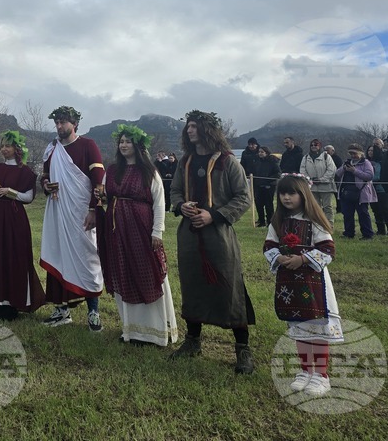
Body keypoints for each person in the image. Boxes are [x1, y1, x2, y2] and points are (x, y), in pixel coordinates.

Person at [170, 110, 256, 374]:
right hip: (189, 235)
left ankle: (242, 349)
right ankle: (193, 341)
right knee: (192, 283)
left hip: (218, 234)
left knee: (229, 286)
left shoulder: (228, 162)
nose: (189, 130)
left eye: (194, 126)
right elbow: (174, 190)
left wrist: (214, 215)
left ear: (207, 129)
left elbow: (243, 197)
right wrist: (181, 205)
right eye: (188, 127)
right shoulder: (185, 161)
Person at [263, 174, 342, 397]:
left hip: (313, 283)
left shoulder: (314, 222)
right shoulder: (278, 222)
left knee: (317, 329)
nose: (286, 197)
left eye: (292, 193)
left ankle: (321, 375)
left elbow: (328, 249)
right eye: (283, 193)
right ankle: (306, 371)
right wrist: (278, 258)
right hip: (289, 284)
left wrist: (303, 259)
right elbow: (269, 245)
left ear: (303, 194)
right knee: (298, 328)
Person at [104, 124, 178, 347]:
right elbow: (107, 197)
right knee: (124, 272)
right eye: (121, 142)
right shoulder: (113, 169)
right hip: (118, 230)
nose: (124, 145)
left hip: (141, 228)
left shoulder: (149, 171)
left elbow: (159, 202)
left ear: (137, 146)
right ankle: (132, 330)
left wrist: (158, 231)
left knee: (147, 273)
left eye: (128, 141)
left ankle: (154, 332)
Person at [39, 106, 105, 332]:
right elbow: (45, 177)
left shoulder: (88, 146)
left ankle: (93, 312)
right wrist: (46, 186)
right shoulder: (52, 149)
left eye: (63, 122)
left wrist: (94, 209)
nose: (59, 126)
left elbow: (98, 181)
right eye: (56, 122)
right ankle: (61, 310)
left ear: (75, 123)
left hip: (80, 213)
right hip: (57, 209)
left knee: (87, 257)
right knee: (56, 253)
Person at [0, 130, 45, 321]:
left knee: (15, 256)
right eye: (2, 145)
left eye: (8, 146)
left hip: (15, 217)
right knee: (0, 256)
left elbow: (28, 197)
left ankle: (16, 302)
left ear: (17, 148)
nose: (4, 149)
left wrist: (9, 192)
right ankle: (2, 303)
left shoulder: (26, 172)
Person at [335, 145, 376, 239]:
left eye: (354, 153)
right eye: (351, 153)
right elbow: (337, 173)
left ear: (361, 153)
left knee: (363, 214)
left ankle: (367, 234)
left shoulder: (366, 163)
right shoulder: (347, 162)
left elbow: (369, 176)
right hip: (346, 192)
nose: (352, 155)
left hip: (360, 193)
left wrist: (354, 171)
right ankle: (348, 233)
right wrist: (344, 168)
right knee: (347, 214)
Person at [299, 139, 337, 225]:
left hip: (326, 186)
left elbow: (332, 170)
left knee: (327, 207)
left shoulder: (326, 157)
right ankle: (317, 224)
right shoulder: (305, 157)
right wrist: (309, 179)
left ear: (319, 146)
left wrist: (321, 179)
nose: (313, 146)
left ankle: (329, 224)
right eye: (311, 145)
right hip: (312, 186)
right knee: (315, 207)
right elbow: (302, 170)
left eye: (315, 145)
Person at [367, 141, 388, 236]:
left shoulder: (381, 162)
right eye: (369, 150)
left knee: (385, 208)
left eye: (372, 150)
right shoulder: (366, 162)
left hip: (382, 189)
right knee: (375, 210)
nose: (370, 152)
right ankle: (381, 230)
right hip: (371, 189)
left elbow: (377, 175)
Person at [252, 146, 281, 228]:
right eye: (259, 152)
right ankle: (261, 221)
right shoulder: (257, 162)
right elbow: (254, 172)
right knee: (258, 204)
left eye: (262, 152)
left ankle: (270, 221)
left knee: (268, 204)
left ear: (266, 153)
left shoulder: (273, 161)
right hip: (258, 186)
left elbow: (278, 173)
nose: (260, 153)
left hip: (269, 186)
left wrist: (268, 180)